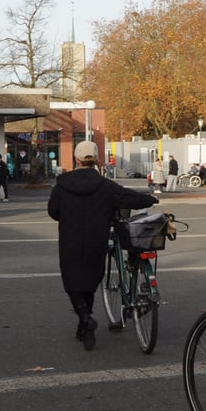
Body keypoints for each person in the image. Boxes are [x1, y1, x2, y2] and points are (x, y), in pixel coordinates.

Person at [48, 141, 159, 351]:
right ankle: (85, 322)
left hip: (70, 240)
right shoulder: (104, 185)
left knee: (73, 282)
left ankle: (85, 317)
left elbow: (53, 211)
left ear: (76, 159)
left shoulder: (62, 184)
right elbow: (128, 197)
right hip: (96, 239)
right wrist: (149, 199)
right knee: (90, 281)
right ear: (96, 160)